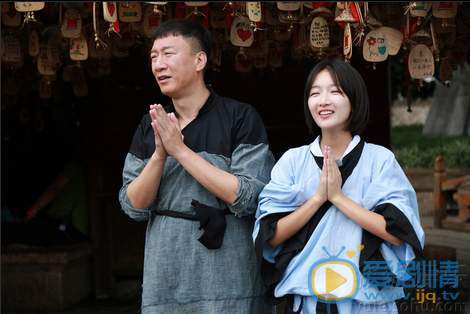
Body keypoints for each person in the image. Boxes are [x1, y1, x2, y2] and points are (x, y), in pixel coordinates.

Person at [118, 18, 275, 314]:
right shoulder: (151, 124)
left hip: (230, 269)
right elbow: (133, 205)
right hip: (167, 266)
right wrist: (160, 155)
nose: (158, 64)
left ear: (199, 59)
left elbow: (247, 194)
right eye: (154, 56)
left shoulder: (239, 117)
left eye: (168, 53)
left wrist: (180, 150)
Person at [253, 60, 425, 314]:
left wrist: (338, 198)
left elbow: (399, 232)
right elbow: (271, 235)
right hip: (308, 302)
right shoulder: (292, 160)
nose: (323, 100)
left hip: (367, 304)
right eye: (315, 93)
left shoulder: (379, 160)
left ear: (354, 101)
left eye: (335, 91)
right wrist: (317, 198)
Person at [1, 154, 89, 247]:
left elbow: (54, 189)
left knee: (6, 231)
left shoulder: (78, 162)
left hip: (65, 229)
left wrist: (29, 214)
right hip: (72, 232)